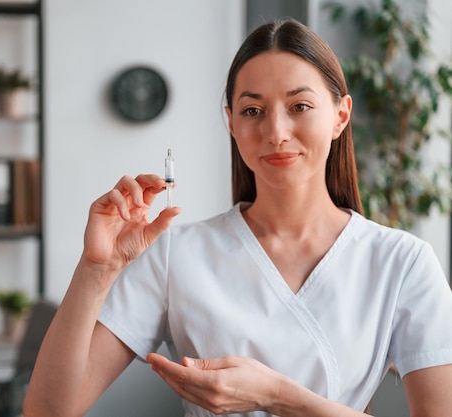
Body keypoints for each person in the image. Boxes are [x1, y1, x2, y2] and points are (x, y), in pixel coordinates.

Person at [23, 18, 452, 417]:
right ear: (231, 122)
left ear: (340, 116)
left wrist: (277, 396)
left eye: (299, 106)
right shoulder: (174, 254)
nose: (276, 132)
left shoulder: (402, 262)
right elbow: (46, 412)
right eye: (252, 110)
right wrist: (96, 269)